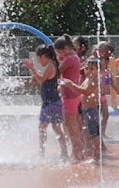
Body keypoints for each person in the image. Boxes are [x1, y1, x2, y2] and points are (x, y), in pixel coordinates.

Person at [23, 44, 68, 160]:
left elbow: (42, 79)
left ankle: (42, 153)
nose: (38, 62)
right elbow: (44, 77)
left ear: (43, 56)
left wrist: (32, 69)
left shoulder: (50, 65)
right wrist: (35, 75)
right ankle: (64, 152)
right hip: (54, 101)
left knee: (42, 127)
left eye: (38, 59)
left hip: (50, 102)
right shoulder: (52, 64)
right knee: (56, 128)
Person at [59, 57, 102, 162]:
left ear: (98, 70)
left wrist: (71, 85)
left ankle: (97, 157)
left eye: (92, 69)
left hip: (92, 110)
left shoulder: (96, 80)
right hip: (85, 110)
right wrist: (67, 87)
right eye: (87, 69)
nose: (88, 71)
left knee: (94, 135)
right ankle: (89, 152)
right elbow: (79, 91)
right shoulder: (87, 80)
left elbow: (85, 91)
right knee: (87, 133)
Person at [54, 34, 84, 162]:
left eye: (60, 51)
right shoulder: (74, 57)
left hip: (69, 97)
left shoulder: (68, 59)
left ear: (65, 48)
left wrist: (55, 59)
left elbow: (56, 71)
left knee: (70, 126)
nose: (60, 54)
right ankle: (78, 153)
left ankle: (76, 155)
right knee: (74, 125)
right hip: (74, 95)